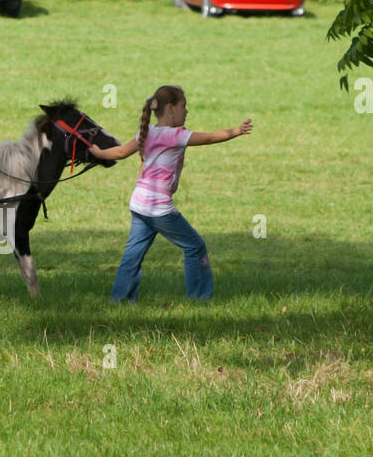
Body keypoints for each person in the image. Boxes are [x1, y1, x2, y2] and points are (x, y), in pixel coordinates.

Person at [88, 85, 252, 302]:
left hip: (139, 204)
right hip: (159, 209)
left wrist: (98, 152)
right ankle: (199, 298)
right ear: (171, 108)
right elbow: (211, 138)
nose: (187, 111)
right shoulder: (177, 135)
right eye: (184, 106)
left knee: (133, 255)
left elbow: (120, 152)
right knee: (195, 247)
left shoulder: (147, 132)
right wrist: (236, 131)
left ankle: (120, 300)